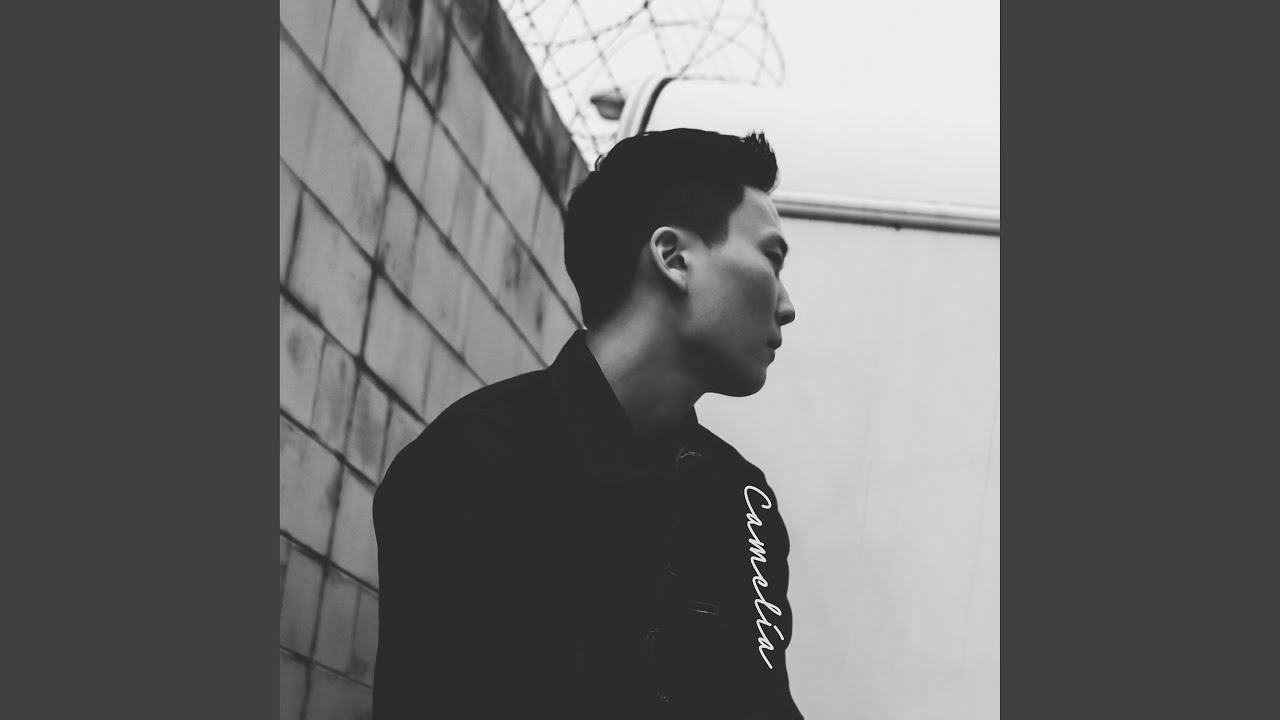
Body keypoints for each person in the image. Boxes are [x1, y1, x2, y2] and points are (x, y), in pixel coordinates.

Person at [372, 128, 801, 718]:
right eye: (771, 258)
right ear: (674, 258)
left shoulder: (742, 499)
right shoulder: (470, 461)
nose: (787, 306)